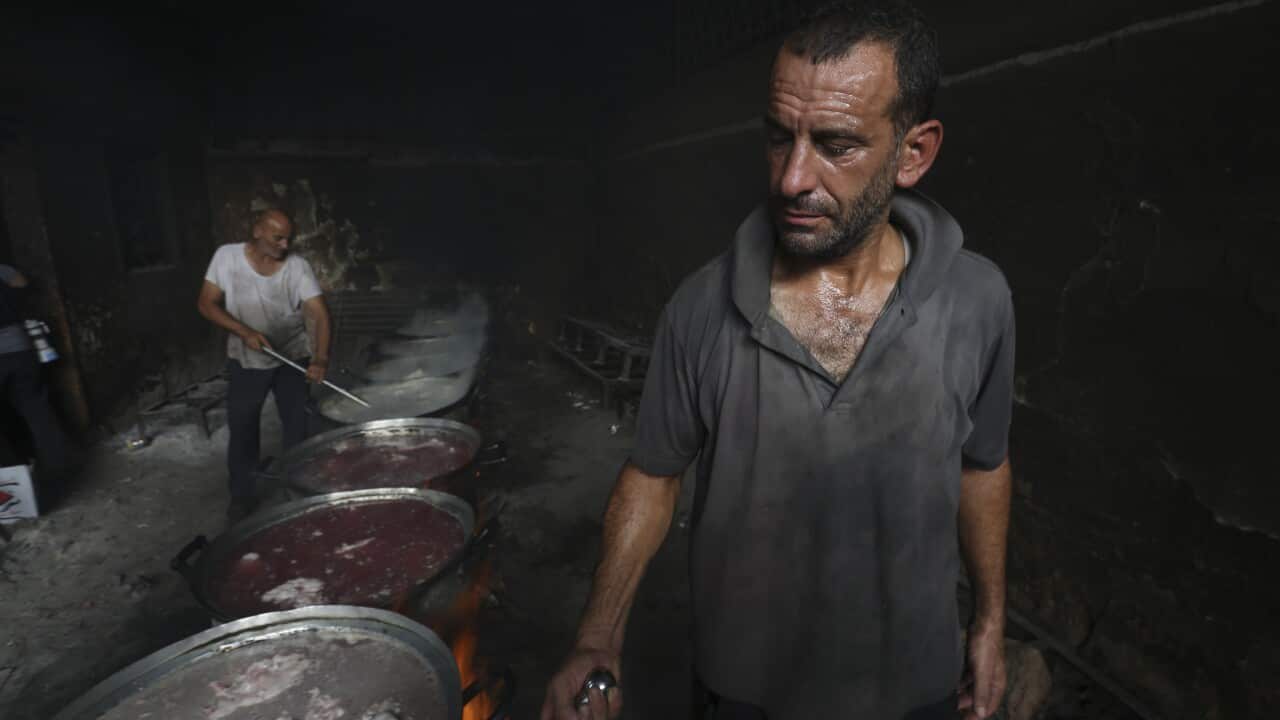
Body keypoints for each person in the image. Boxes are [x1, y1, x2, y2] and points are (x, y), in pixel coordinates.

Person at [542, 2, 1015, 719]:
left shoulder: (979, 299)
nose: (793, 177)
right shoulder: (702, 308)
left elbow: (984, 464)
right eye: (778, 137)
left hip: (918, 687)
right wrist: (597, 636)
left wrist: (988, 624)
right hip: (744, 694)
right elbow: (653, 474)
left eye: (836, 144)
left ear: (912, 153)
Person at [197, 208, 331, 523]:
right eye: (278, 237)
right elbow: (205, 303)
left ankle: (299, 490)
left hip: (291, 357)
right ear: (257, 230)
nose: (285, 245)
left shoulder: (297, 266)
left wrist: (321, 357)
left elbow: (320, 314)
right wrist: (244, 332)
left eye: (289, 238)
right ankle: (242, 496)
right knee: (243, 429)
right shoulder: (226, 258)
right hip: (246, 361)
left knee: (298, 426)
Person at [0, 263, 74, 509]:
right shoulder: (2, 270)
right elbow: (22, 283)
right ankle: (60, 477)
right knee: (38, 412)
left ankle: (17, 495)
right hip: (20, 349)